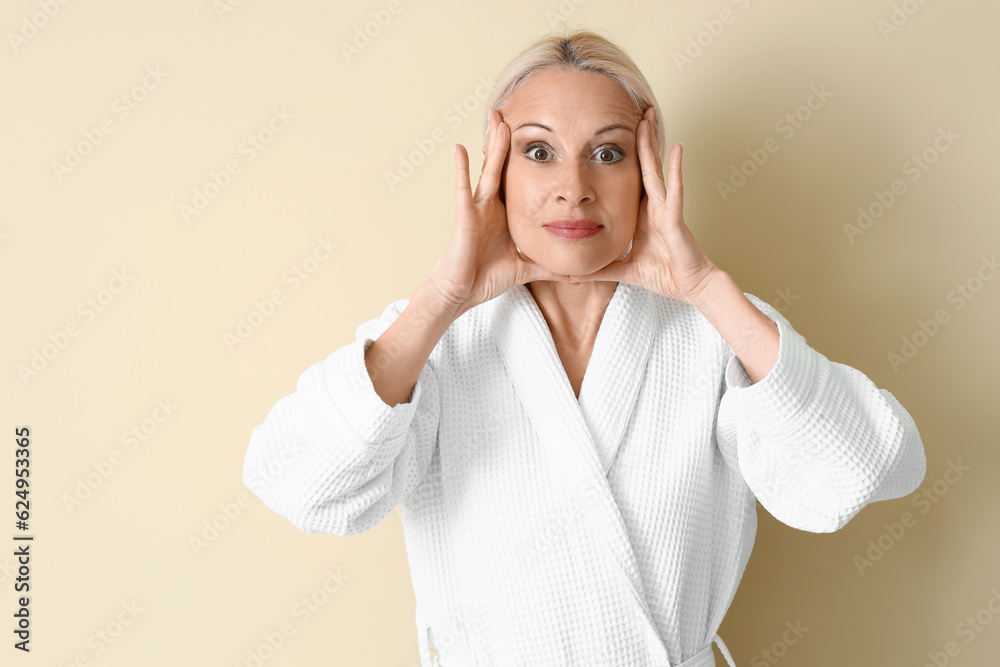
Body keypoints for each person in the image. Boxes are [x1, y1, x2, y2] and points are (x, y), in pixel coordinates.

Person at [242, 28, 926, 667]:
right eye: (538, 151)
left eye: (609, 152)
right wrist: (442, 298)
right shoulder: (436, 337)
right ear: (498, 172)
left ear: (648, 174)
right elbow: (300, 482)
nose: (574, 186)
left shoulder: (711, 327)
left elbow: (865, 468)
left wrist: (708, 287)